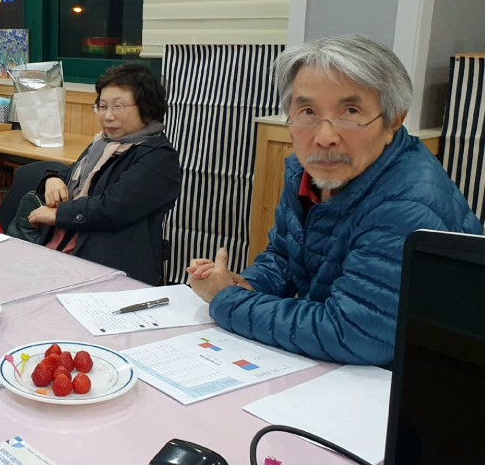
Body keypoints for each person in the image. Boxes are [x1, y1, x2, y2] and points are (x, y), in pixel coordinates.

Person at [186, 34, 483, 366]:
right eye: (308, 111)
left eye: (350, 111)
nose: (325, 137)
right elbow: (284, 257)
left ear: (394, 120)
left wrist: (228, 300)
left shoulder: (408, 198)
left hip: (424, 377)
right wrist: (246, 285)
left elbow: (354, 332)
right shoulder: (305, 173)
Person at [24, 62, 182, 285]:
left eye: (118, 107)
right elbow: (74, 178)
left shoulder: (159, 158)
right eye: (102, 106)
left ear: (147, 110)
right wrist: (52, 179)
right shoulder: (103, 144)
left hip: (107, 268)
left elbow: (113, 207)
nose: (107, 116)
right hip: (62, 255)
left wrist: (58, 215)